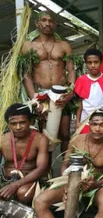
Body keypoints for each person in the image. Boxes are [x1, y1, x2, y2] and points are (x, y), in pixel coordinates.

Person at [34, 111, 103, 218]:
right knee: (39, 202)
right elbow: (65, 165)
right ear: (89, 124)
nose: (97, 129)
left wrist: (96, 184)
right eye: (94, 124)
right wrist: (68, 182)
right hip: (72, 180)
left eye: (102, 125)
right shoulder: (76, 140)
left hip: (98, 185)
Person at [21, 11, 75, 153]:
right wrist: (35, 100)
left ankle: (65, 170)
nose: (47, 24)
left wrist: (70, 93)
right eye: (43, 20)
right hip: (41, 95)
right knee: (43, 137)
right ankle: (46, 172)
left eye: (50, 21)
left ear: (55, 24)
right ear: (37, 23)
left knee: (65, 135)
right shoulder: (28, 46)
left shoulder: (64, 45)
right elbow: (26, 75)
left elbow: (71, 71)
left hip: (62, 93)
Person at [0, 103, 48, 204]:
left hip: (29, 180)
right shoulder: (2, 139)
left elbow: (42, 168)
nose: (18, 127)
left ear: (30, 121)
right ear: (8, 124)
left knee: (23, 193)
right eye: (13, 123)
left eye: (22, 122)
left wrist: (15, 185)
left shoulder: (40, 139)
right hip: (6, 179)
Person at [74, 48, 103, 133]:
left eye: (96, 62)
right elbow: (79, 103)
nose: (93, 65)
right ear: (86, 64)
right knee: (86, 144)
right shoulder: (81, 80)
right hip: (86, 121)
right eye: (89, 63)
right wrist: (77, 121)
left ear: (101, 62)